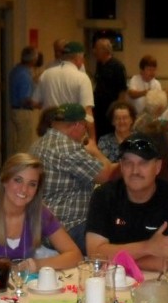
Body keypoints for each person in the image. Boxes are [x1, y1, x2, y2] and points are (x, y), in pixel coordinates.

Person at [0, 153, 81, 275]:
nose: (24, 189)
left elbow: (75, 255)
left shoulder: (40, 212)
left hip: (23, 287)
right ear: (4, 180)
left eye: (32, 184)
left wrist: (37, 264)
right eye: (18, 180)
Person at [86, 133, 168, 271]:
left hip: (161, 284)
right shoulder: (104, 196)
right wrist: (148, 247)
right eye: (128, 163)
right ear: (121, 166)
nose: (135, 170)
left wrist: (116, 258)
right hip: (115, 281)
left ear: (157, 167)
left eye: (143, 163)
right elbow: (95, 254)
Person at [30, 103, 116, 255]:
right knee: (118, 232)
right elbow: (106, 175)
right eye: (84, 126)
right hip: (68, 227)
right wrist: (95, 151)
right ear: (77, 125)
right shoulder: (68, 148)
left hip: (40, 224)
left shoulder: (38, 144)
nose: (85, 131)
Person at [33, 41, 96, 140]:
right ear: (78, 58)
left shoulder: (46, 74)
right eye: (83, 57)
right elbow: (87, 112)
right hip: (72, 131)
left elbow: (35, 102)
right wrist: (92, 139)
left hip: (50, 131)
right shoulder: (82, 78)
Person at [92, 37, 128, 140]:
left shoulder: (117, 66)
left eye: (97, 49)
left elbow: (122, 91)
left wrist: (119, 110)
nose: (94, 51)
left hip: (110, 109)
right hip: (99, 110)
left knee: (110, 136)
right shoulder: (99, 65)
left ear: (105, 50)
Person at [8, 46, 39, 153]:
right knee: (24, 144)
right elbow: (24, 99)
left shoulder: (16, 70)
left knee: (19, 141)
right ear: (33, 59)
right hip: (23, 111)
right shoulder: (24, 75)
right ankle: (21, 167)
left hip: (15, 109)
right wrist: (38, 104)